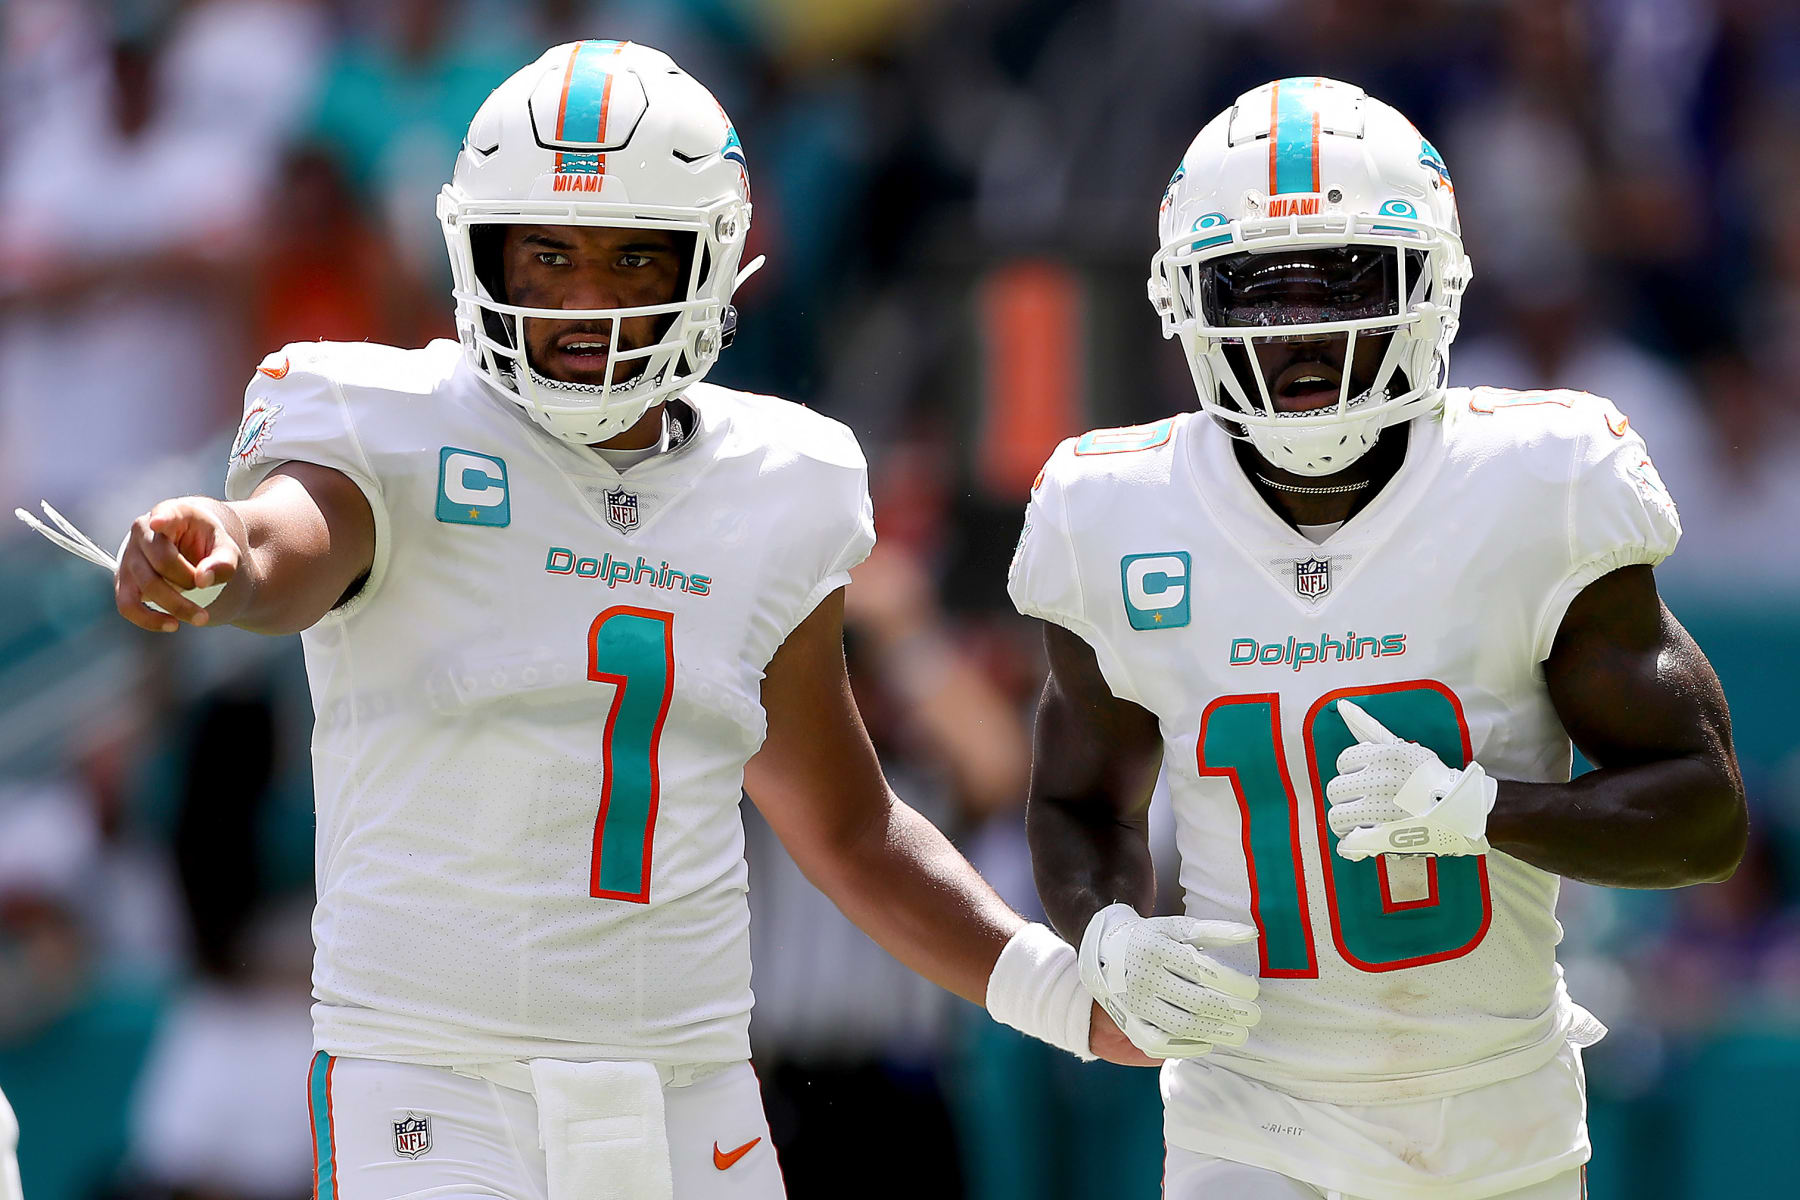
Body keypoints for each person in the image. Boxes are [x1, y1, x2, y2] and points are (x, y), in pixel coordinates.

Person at [108, 41, 1138, 1200]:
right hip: (438, 1086)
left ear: (714, 264)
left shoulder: (779, 480)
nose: (586, 302)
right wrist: (219, 550)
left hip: (688, 1089)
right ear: (479, 249)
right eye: (546, 254)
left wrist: (1061, 993)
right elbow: (287, 540)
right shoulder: (383, 423)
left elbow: (846, 826)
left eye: (634, 255)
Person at [1008, 77, 1746, 1200]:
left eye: (1345, 281)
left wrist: (1484, 812)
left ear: (1432, 285)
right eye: (1256, 291)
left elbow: (1704, 817)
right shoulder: (1115, 512)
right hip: (1252, 1123)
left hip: (1504, 1123)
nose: (1304, 332)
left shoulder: (1537, 485)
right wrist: (1105, 932)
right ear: (1186, 303)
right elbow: (1075, 802)